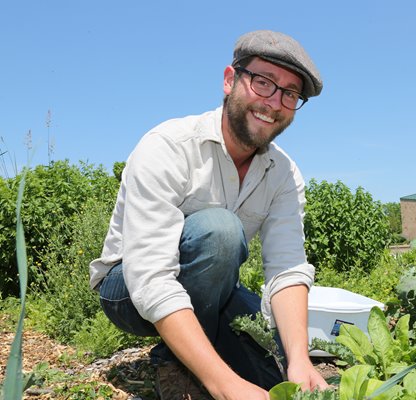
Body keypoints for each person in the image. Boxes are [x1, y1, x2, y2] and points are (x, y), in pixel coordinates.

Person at [89, 30, 327, 399]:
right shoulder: (169, 146)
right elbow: (150, 277)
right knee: (220, 230)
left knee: (274, 367)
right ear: (230, 80)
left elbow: (287, 266)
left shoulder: (282, 173)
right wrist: (224, 383)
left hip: (214, 288)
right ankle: (178, 365)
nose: (274, 102)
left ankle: (212, 353)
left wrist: (299, 359)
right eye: (263, 82)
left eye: (290, 93)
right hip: (128, 288)